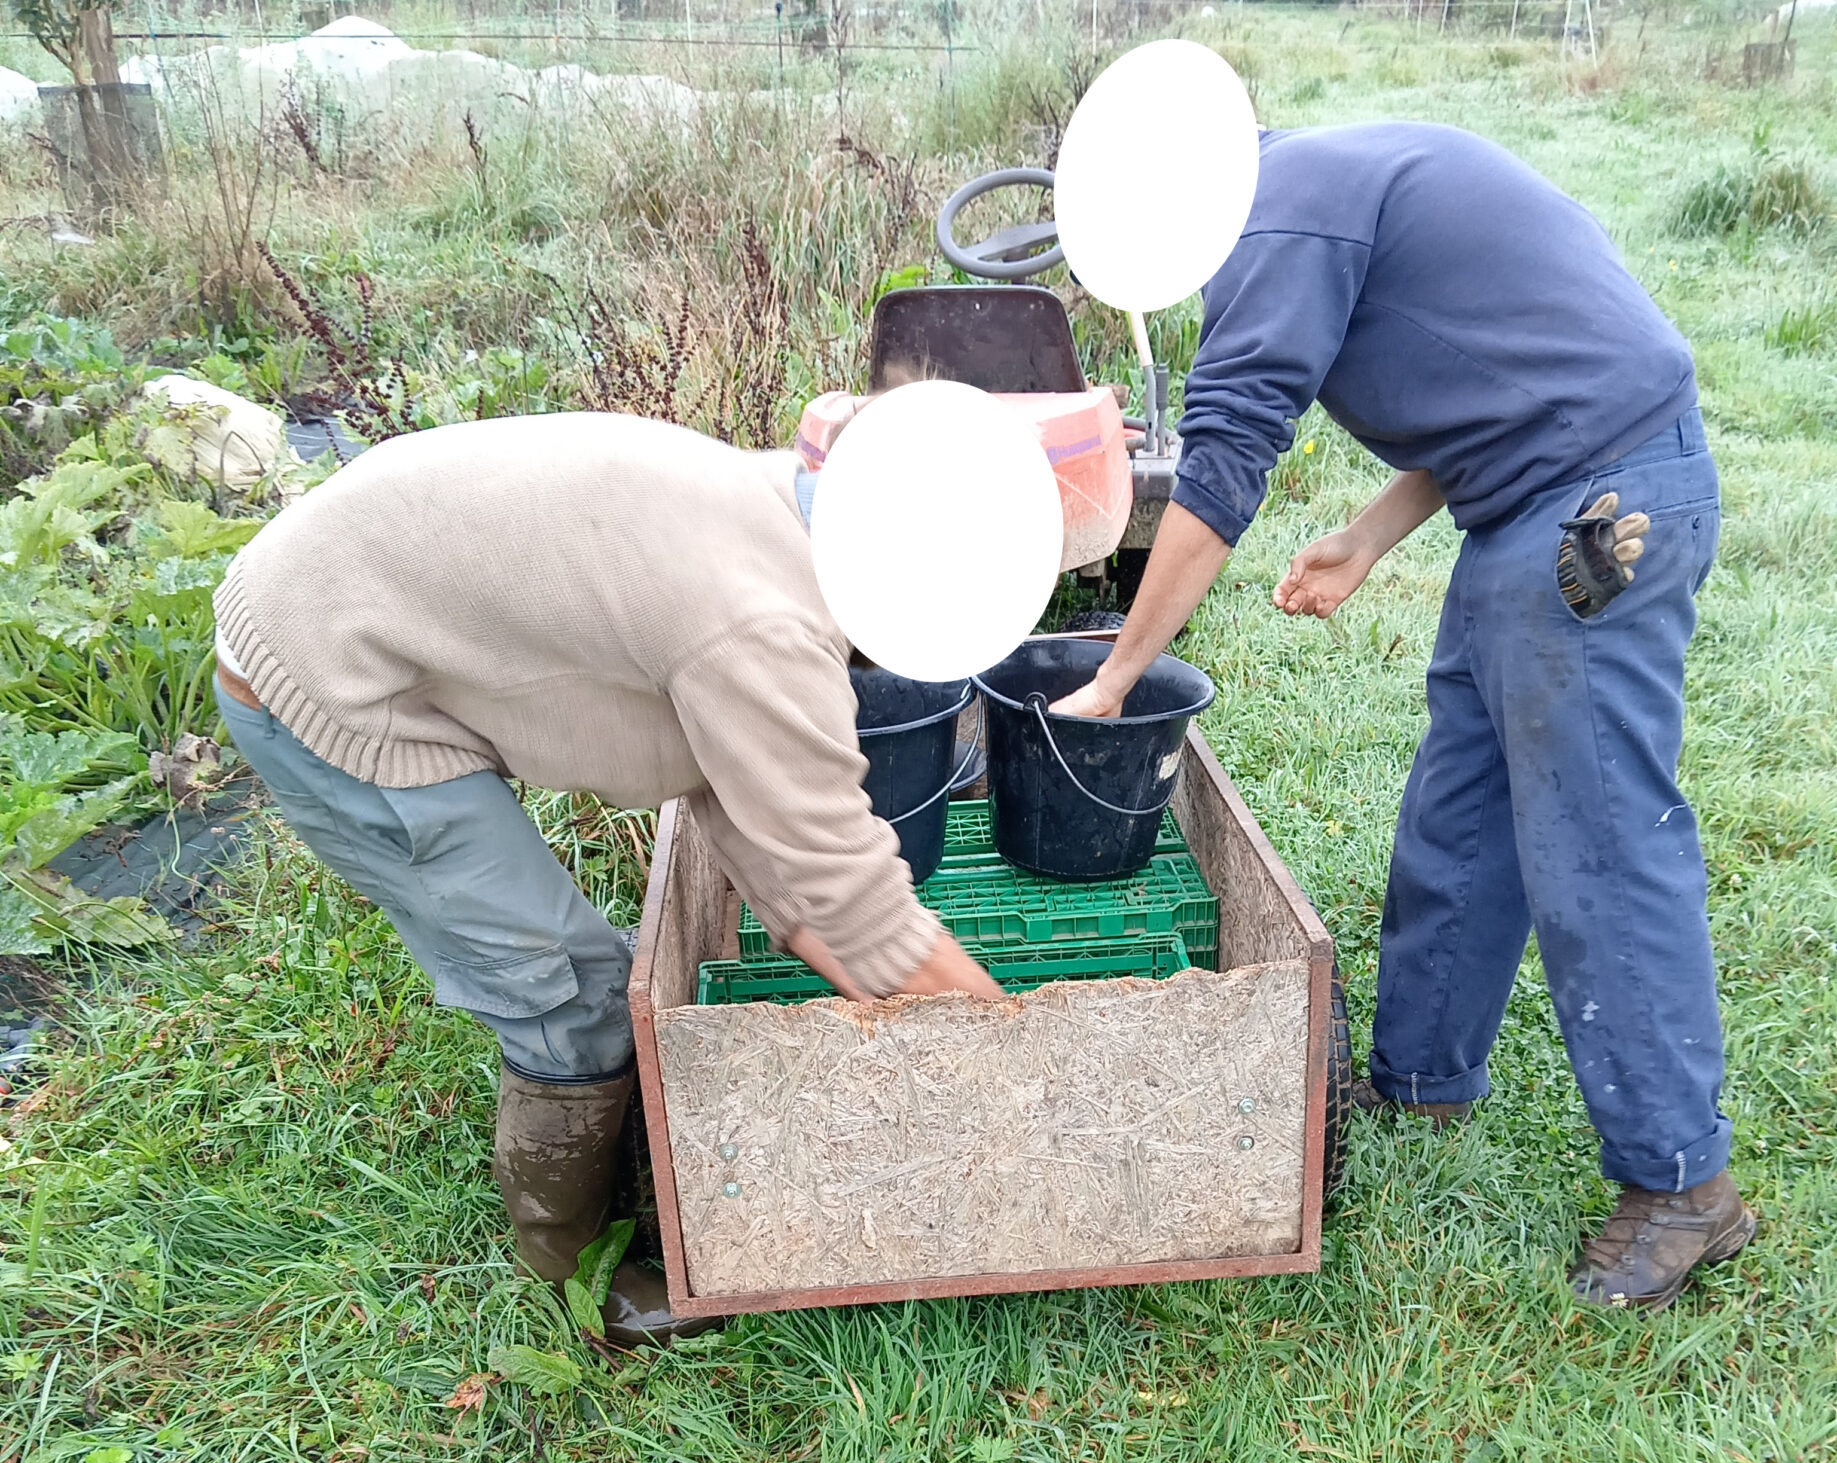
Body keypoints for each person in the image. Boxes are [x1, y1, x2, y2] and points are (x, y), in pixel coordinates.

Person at [1052, 121, 1754, 1311]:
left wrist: (1115, 676)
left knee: (1598, 842)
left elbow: (1222, 462)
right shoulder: (1314, 181)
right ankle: (1424, 1073)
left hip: (1603, 501)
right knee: (1462, 812)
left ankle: (1682, 1186)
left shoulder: (1274, 217)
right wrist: (1366, 538)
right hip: (1531, 491)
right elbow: (1499, 376)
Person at [212, 411, 999, 1345]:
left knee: (590, 980)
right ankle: (576, 1276)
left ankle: (613, 1150)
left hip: (351, 588)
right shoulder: (759, 627)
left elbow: (770, 836)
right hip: (328, 677)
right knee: (565, 992)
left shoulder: (785, 515)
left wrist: (894, 1010)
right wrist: (1009, 1061)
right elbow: (859, 902)